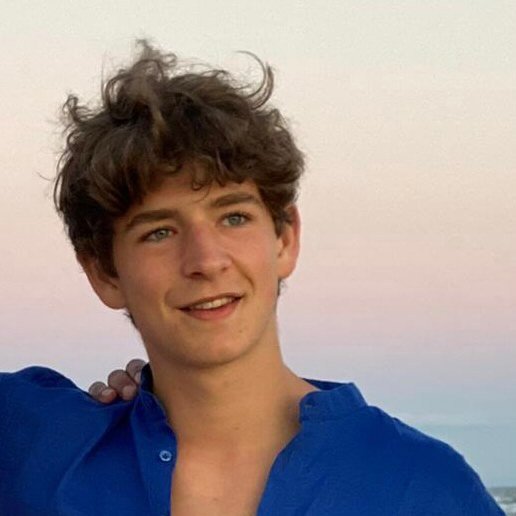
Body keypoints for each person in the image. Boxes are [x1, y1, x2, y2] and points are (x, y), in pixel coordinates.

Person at [0, 41, 503, 516]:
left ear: (285, 238)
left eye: (234, 217)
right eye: (159, 232)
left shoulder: (425, 488)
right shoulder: (34, 449)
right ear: (103, 272)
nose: (206, 260)